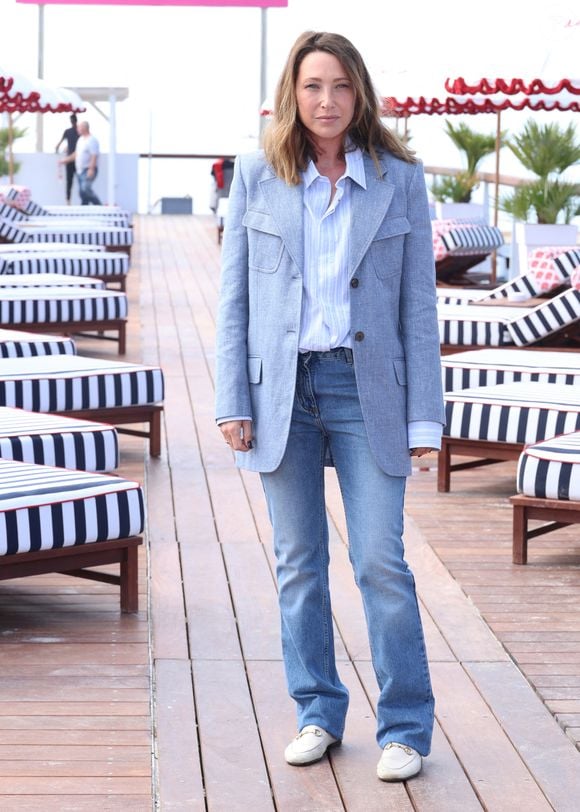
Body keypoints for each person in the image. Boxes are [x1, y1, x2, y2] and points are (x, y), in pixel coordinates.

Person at [215, 31, 445, 782]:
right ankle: (317, 710)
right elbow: (235, 299)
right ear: (293, 93)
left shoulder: (398, 178)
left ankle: (405, 727)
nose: (326, 101)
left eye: (341, 86)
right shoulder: (257, 174)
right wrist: (231, 399)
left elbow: (418, 307)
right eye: (313, 86)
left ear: (360, 93)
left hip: (364, 386)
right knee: (298, 565)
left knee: (381, 561)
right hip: (282, 390)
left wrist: (424, 419)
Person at [59, 120, 102, 205]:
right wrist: (65, 160)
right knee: (82, 193)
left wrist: (91, 169)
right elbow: (76, 154)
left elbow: (94, 155)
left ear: (84, 128)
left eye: (79, 127)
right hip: (80, 171)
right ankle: (84, 208)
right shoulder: (80, 140)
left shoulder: (92, 140)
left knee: (85, 188)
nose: (77, 129)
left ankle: (99, 205)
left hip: (88, 169)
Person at [55, 113, 79, 204]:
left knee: (70, 181)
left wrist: (57, 149)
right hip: (73, 159)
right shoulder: (77, 131)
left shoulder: (69, 131)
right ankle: (68, 200)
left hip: (72, 159)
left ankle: (68, 200)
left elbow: (59, 144)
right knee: (74, 181)